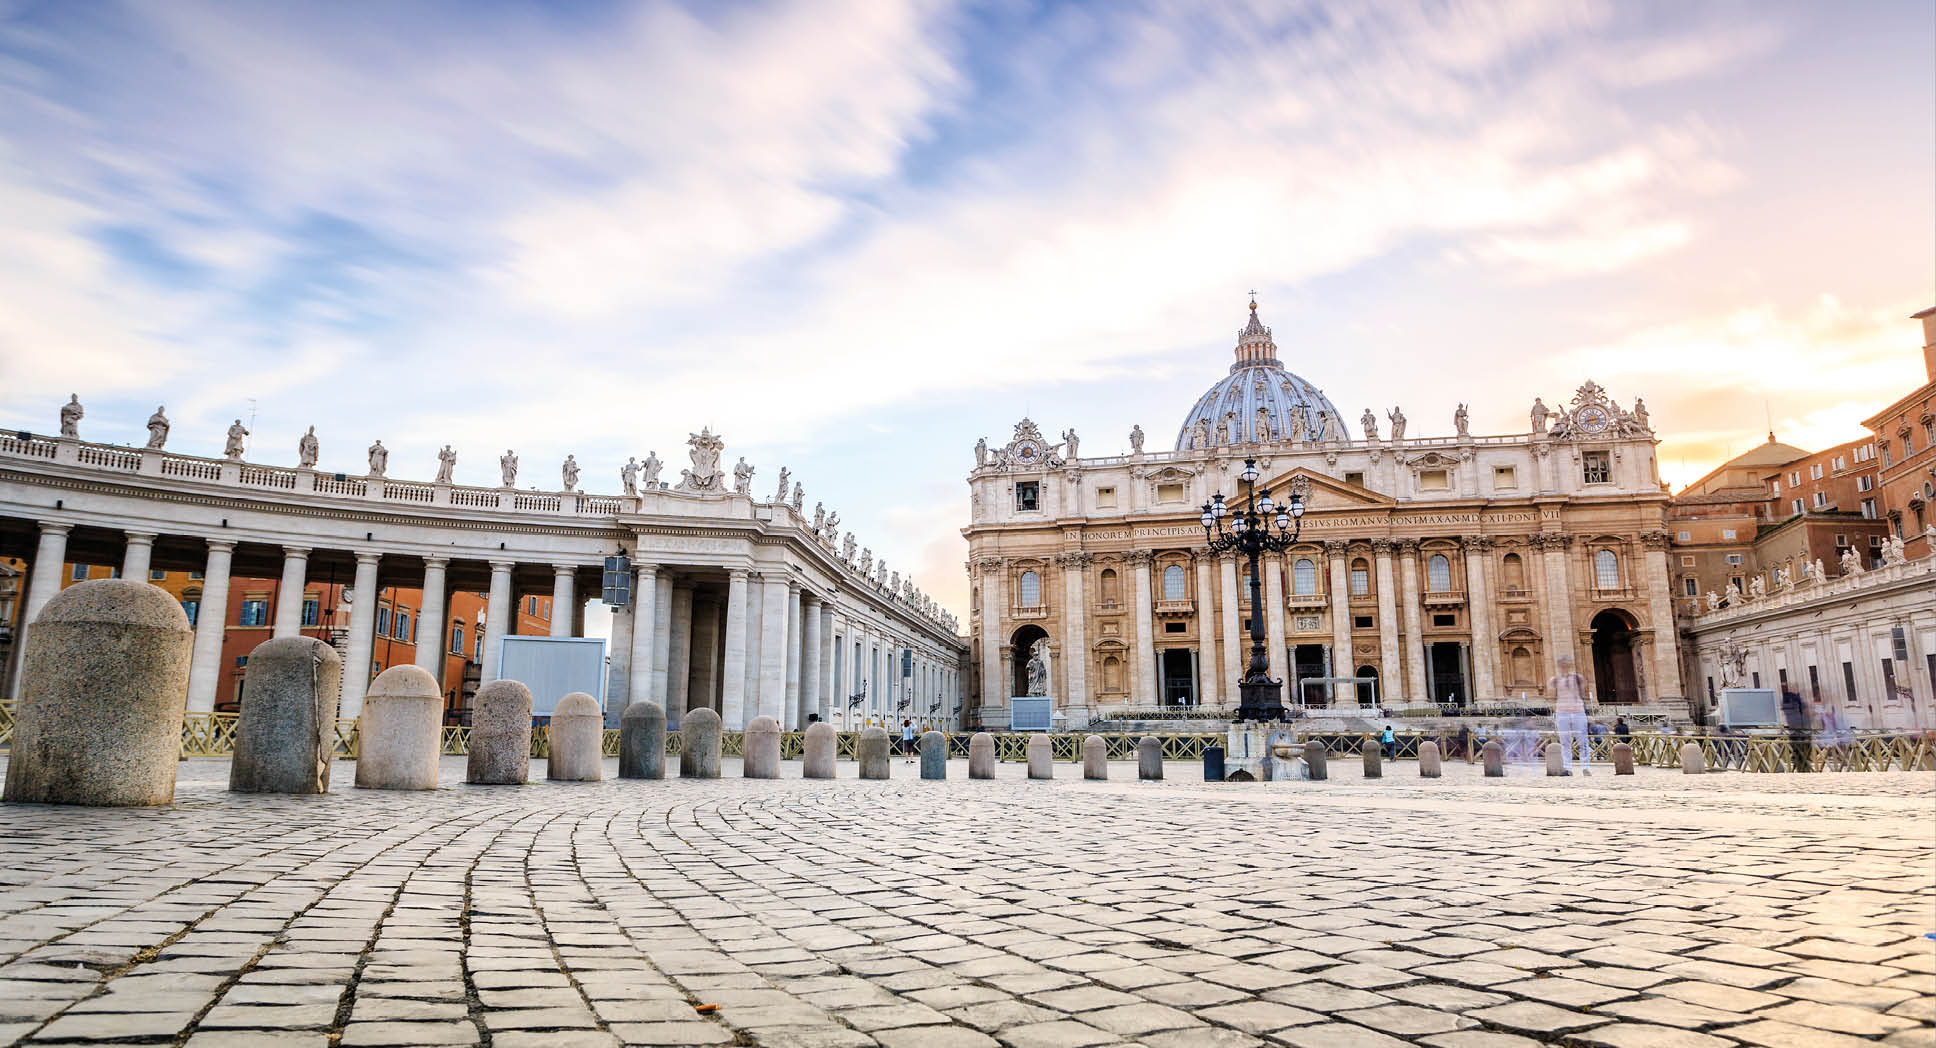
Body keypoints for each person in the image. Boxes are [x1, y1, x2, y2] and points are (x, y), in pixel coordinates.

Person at [1548, 655, 1588, 775]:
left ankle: (1585, 767)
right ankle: (1567, 768)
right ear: (1559, 666)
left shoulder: (1578, 678)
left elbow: (1583, 692)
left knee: (1583, 741)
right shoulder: (1554, 680)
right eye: (1563, 665)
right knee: (1565, 742)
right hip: (1562, 712)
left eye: (1567, 664)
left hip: (1578, 711)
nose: (1565, 667)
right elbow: (1552, 696)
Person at [1779, 690, 1812, 771]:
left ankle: (1802, 767)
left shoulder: (1793, 707)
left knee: (1800, 753)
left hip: (1798, 732)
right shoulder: (1799, 706)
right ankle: (1803, 767)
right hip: (1801, 732)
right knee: (1801, 753)